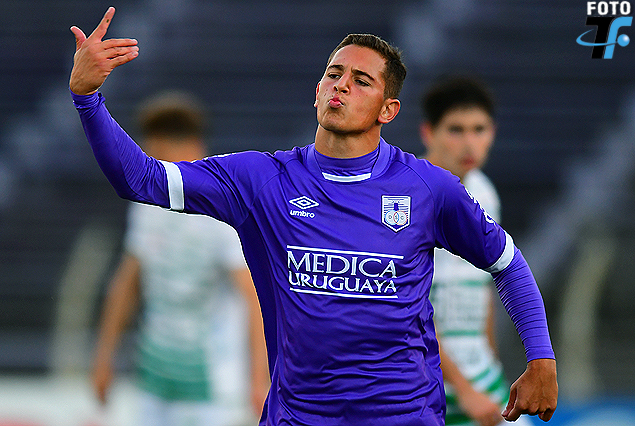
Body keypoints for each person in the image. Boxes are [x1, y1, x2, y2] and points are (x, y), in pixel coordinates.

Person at [69, 8, 558, 425]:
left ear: (388, 109)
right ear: (318, 89)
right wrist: (88, 100)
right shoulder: (263, 180)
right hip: (300, 416)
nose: (341, 85)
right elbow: (141, 179)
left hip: (402, 415)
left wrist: (541, 358)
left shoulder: (429, 188)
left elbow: (507, 265)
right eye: (334, 74)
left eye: (361, 81)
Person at [90, 90, 269, 426]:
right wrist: (103, 357)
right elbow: (127, 282)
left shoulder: (222, 207)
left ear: (186, 147)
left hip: (211, 389)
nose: (148, 160)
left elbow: (254, 296)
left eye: (154, 150)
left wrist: (259, 379)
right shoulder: (147, 204)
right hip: (155, 380)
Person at [420, 76, 532, 426]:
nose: (469, 143)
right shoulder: (409, 199)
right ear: (428, 133)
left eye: (479, 129)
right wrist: (465, 390)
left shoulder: (484, 192)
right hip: (425, 376)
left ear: (492, 133)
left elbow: (486, 285)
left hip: (480, 374)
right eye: (456, 130)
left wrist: (490, 361)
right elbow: (408, 311)